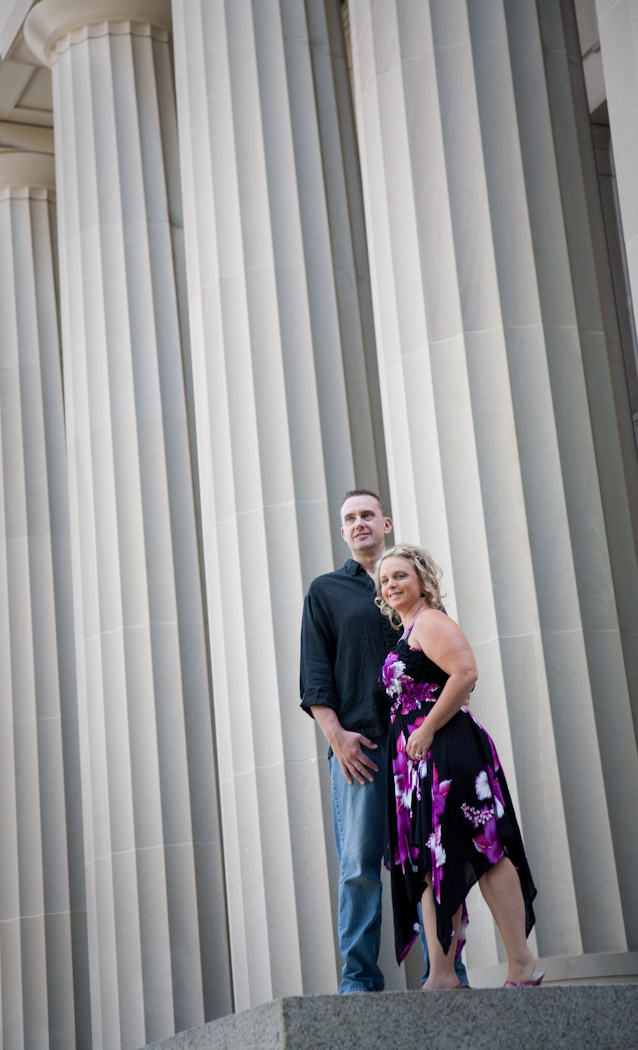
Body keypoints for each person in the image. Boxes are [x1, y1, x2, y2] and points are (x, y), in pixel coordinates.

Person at [299, 491, 468, 993]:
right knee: (359, 866)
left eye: (367, 515)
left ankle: (447, 972)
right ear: (343, 531)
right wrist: (338, 737)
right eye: (349, 519)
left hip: (418, 746)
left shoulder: (408, 590)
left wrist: (434, 730)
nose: (359, 524)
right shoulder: (326, 591)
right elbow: (314, 676)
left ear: (386, 523)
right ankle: (359, 981)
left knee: (431, 858)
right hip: (362, 751)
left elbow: (447, 666)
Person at [376, 543, 541, 989]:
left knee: (486, 845)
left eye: (400, 576)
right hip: (416, 762)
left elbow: (465, 673)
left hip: (448, 747)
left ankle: (522, 965)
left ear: (422, 579)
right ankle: (443, 974)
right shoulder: (408, 628)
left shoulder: (430, 621)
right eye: (385, 579)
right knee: (431, 858)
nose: (391, 584)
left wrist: (426, 729)